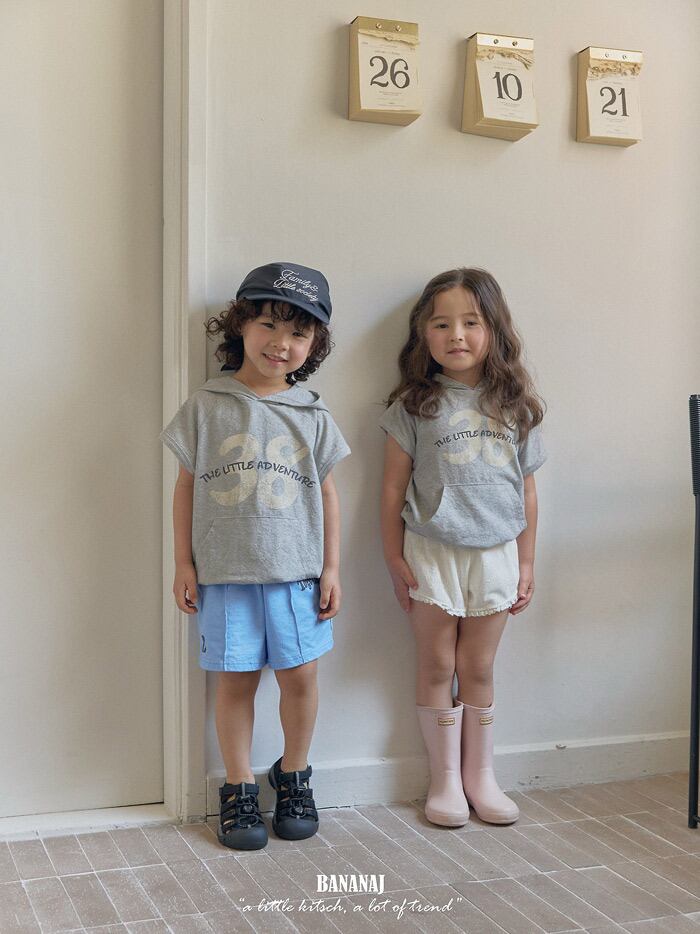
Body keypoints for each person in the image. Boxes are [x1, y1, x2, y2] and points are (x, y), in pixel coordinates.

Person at [161, 263, 350, 850]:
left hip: (297, 576)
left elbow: (329, 494)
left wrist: (332, 567)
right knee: (235, 682)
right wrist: (184, 563)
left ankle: (292, 775)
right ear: (241, 324)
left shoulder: (313, 413)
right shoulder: (206, 405)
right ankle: (239, 786)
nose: (281, 342)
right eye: (269, 324)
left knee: (301, 677)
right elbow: (185, 486)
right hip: (225, 575)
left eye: (298, 332)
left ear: (314, 345)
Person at [380, 267, 546, 826]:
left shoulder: (516, 405)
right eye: (441, 324)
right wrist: (393, 557)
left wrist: (526, 560)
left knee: (477, 665)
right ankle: (445, 779)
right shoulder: (413, 406)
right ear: (423, 335)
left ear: (494, 330)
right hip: (431, 552)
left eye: (471, 322)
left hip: (497, 554)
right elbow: (391, 489)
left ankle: (481, 776)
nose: (456, 335)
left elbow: (527, 490)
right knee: (436, 663)